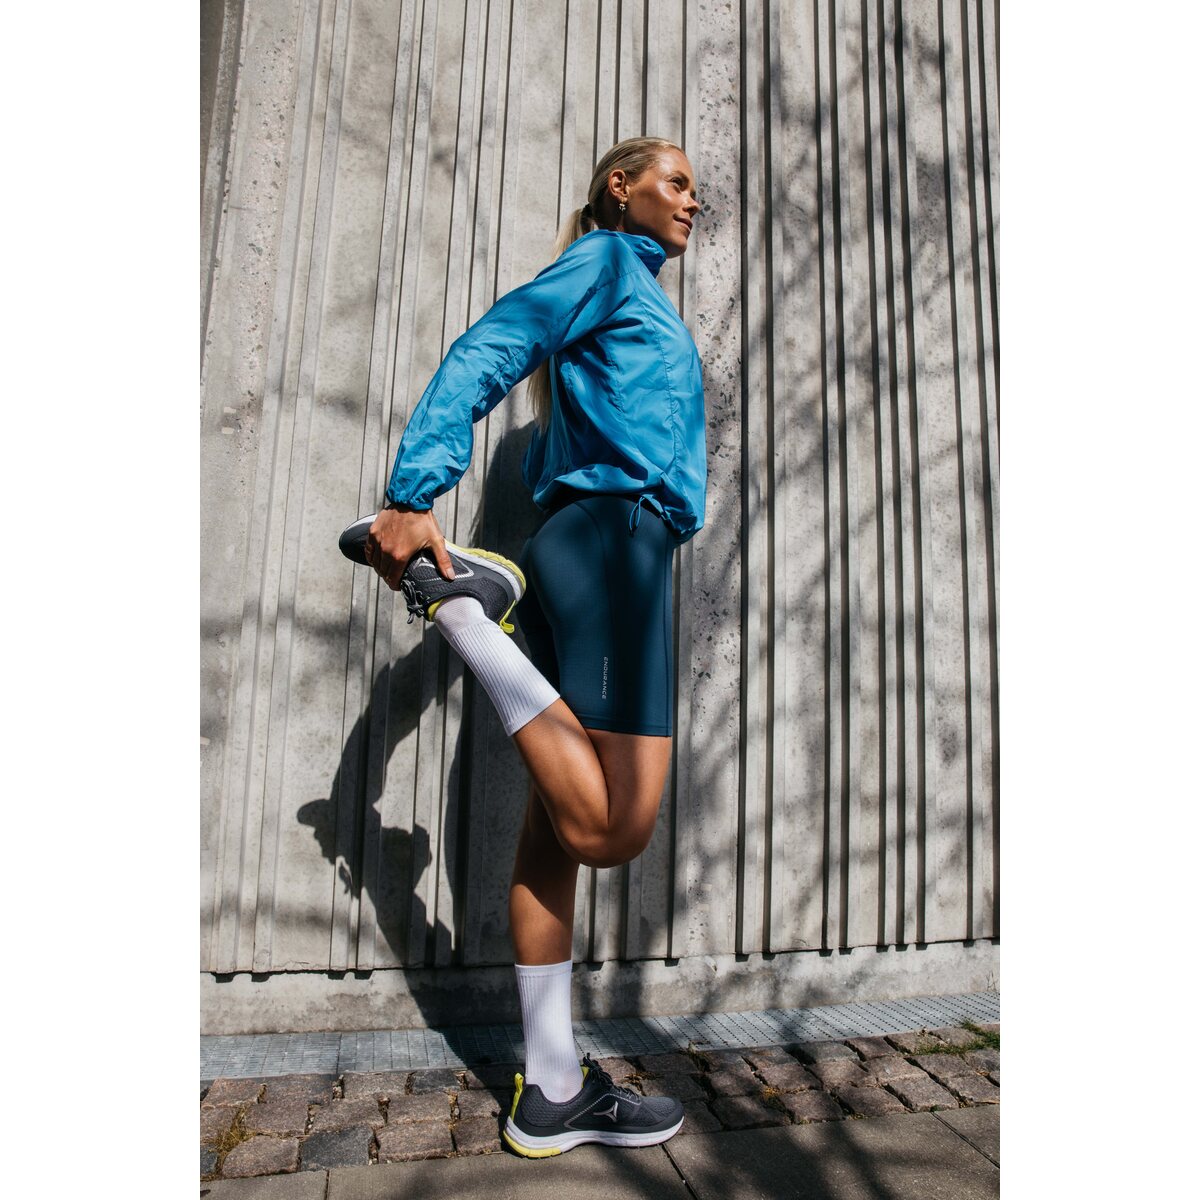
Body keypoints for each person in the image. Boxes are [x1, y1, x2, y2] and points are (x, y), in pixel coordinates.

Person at [361, 136, 704, 1157]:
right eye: (677, 183)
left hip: (586, 549)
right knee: (613, 830)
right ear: (620, 188)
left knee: (555, 838)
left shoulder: (625, 289)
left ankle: (551, 1090)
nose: (693, 201)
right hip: (614, 545)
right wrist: (413, 490)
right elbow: (492, 345)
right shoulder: (605, 265)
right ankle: (464, 612)